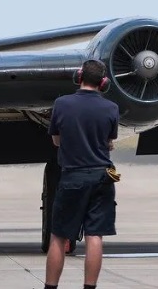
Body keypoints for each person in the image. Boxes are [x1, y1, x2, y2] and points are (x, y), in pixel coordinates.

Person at [44, 59, 120, 289]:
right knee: (94, 235)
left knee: (58, 236)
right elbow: (109, 142)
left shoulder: (62, 104)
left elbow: (56, 140)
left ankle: (51, 286)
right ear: (103, 82)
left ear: (79, 77)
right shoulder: (111, 108)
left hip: (72, 177)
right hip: (102, 177)